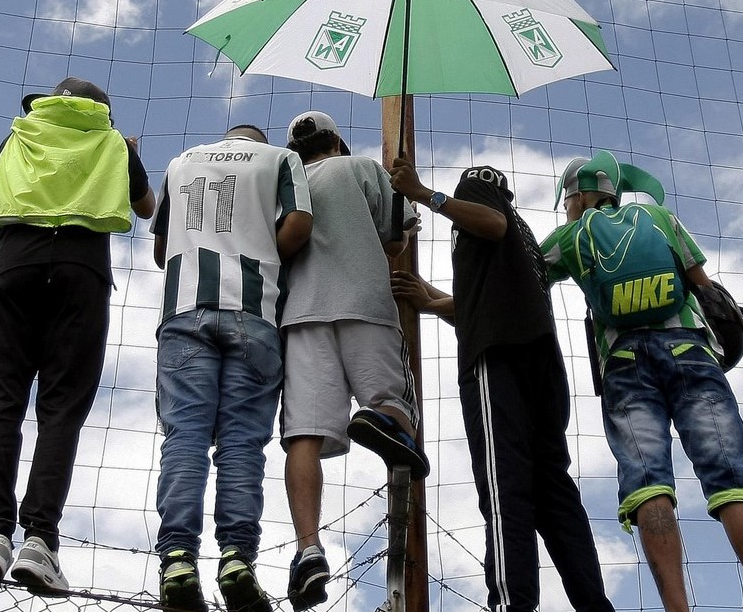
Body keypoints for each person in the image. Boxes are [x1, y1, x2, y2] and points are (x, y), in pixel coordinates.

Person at [542, 151, 743, 612]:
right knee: (730, 476)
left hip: (624, 363)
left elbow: (525, 278)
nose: (567, 208)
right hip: (690, 352)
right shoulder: (658, 216)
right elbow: (704, 287)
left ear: (578, 196)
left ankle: (677, 608)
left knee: (648, 480)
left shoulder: (568, 238)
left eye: (568, 199)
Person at [0, 78, 155, 610]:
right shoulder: (113, 142)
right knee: (61, 409)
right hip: (80, 272)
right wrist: (130, 157)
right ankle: (40, 539)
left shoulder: (17, 137)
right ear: (102, 111)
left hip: (12, 267)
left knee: (0, 405)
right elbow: (147, 207)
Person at [389, 160, 615, 612]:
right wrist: (428, 298)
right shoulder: (523, 239)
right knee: (553, 490)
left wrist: (422, 193)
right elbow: (480, 303)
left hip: (499, 359)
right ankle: (594, 604)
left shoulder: (482, 194)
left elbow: (489, 222)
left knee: (502, 483)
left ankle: (512, 603)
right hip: (541, 366)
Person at [151, 124, 312, 612]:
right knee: (243, 443)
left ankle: (177, 557)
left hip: (184, 314)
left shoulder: (180, 162)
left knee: (185, 437)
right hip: (253, 313)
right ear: (258, 141)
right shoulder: (281, 159)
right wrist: (264, 254)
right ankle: (237, 557)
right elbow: (300, 222)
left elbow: (161, 250)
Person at [278, 111, 427, 611]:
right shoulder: (364, 168)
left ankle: (308, 548)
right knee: (392, 400)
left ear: (297, 151)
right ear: (338, 142)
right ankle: (380, 420)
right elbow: (394, 240)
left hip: (301, 312)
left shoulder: (287, 179)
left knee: (304, 432)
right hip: (365, 301)